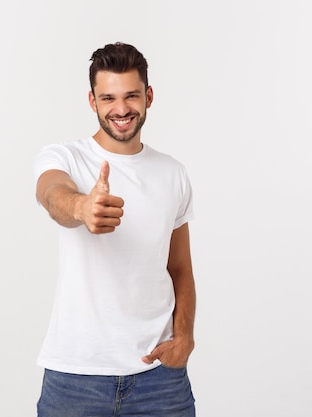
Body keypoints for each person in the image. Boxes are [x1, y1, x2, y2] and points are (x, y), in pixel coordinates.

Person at [33, 42, 197, 417]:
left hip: (159, 378)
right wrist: (81, 206)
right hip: (76, 377)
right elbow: (51, 193)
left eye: (131, 96)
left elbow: (180, 268)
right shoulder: (65, 157)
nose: (121, 109)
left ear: (148, 96)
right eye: (108, 98)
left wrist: (184, 337)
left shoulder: (173, 173)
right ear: (92, 101)